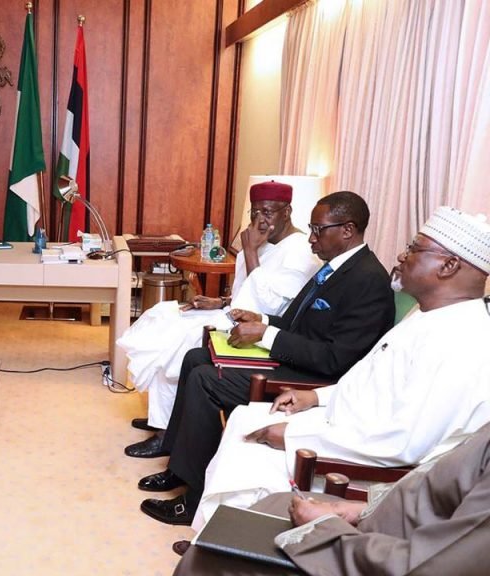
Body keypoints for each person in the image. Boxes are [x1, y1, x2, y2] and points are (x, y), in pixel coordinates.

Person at [190, 206, 490, 530]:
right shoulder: (427, 314)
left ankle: (230, 543)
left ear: (449, 265)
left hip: (353, 465)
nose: (402, 256)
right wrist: (316, 399)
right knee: (245, 419)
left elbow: (403, 443)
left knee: (250, 454)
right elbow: (372, 380)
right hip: (340, 424)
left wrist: (297, 435)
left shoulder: (462, 342)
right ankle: (211, 535)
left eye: (414, 249)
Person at [138, 191, 395, 526]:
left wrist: (266, 335)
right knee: (196, 358)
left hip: (312, 379)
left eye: (319, 230)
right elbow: (296, 321)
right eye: (311, 229)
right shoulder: (333, 269)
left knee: (206, 379)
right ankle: (179, 466)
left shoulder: (368, 281)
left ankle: (194, 498)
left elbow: (335, 359)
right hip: (297, 358)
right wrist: (262, 321)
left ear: (347, 230)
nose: (311, 238)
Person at [118, 181, 319, 456]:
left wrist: (250, 251)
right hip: (230, 312)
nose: (261, 220)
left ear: (287, 212)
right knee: (161, 315)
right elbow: (242, 293)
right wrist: (220, 301)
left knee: (177, 343)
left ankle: (167, 432)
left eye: (269, 212)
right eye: (255, 212)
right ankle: (161, 415)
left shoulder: (299, 251)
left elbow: (271, 306)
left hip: (256, 327)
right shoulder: (259, 241)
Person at [173, 419, 490, 575]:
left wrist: (324, 529)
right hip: (378, 528)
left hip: (378, 556)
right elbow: (444, 483)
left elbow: (426, 568)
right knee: (264, 509)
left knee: (207, 559)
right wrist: (364, 507)